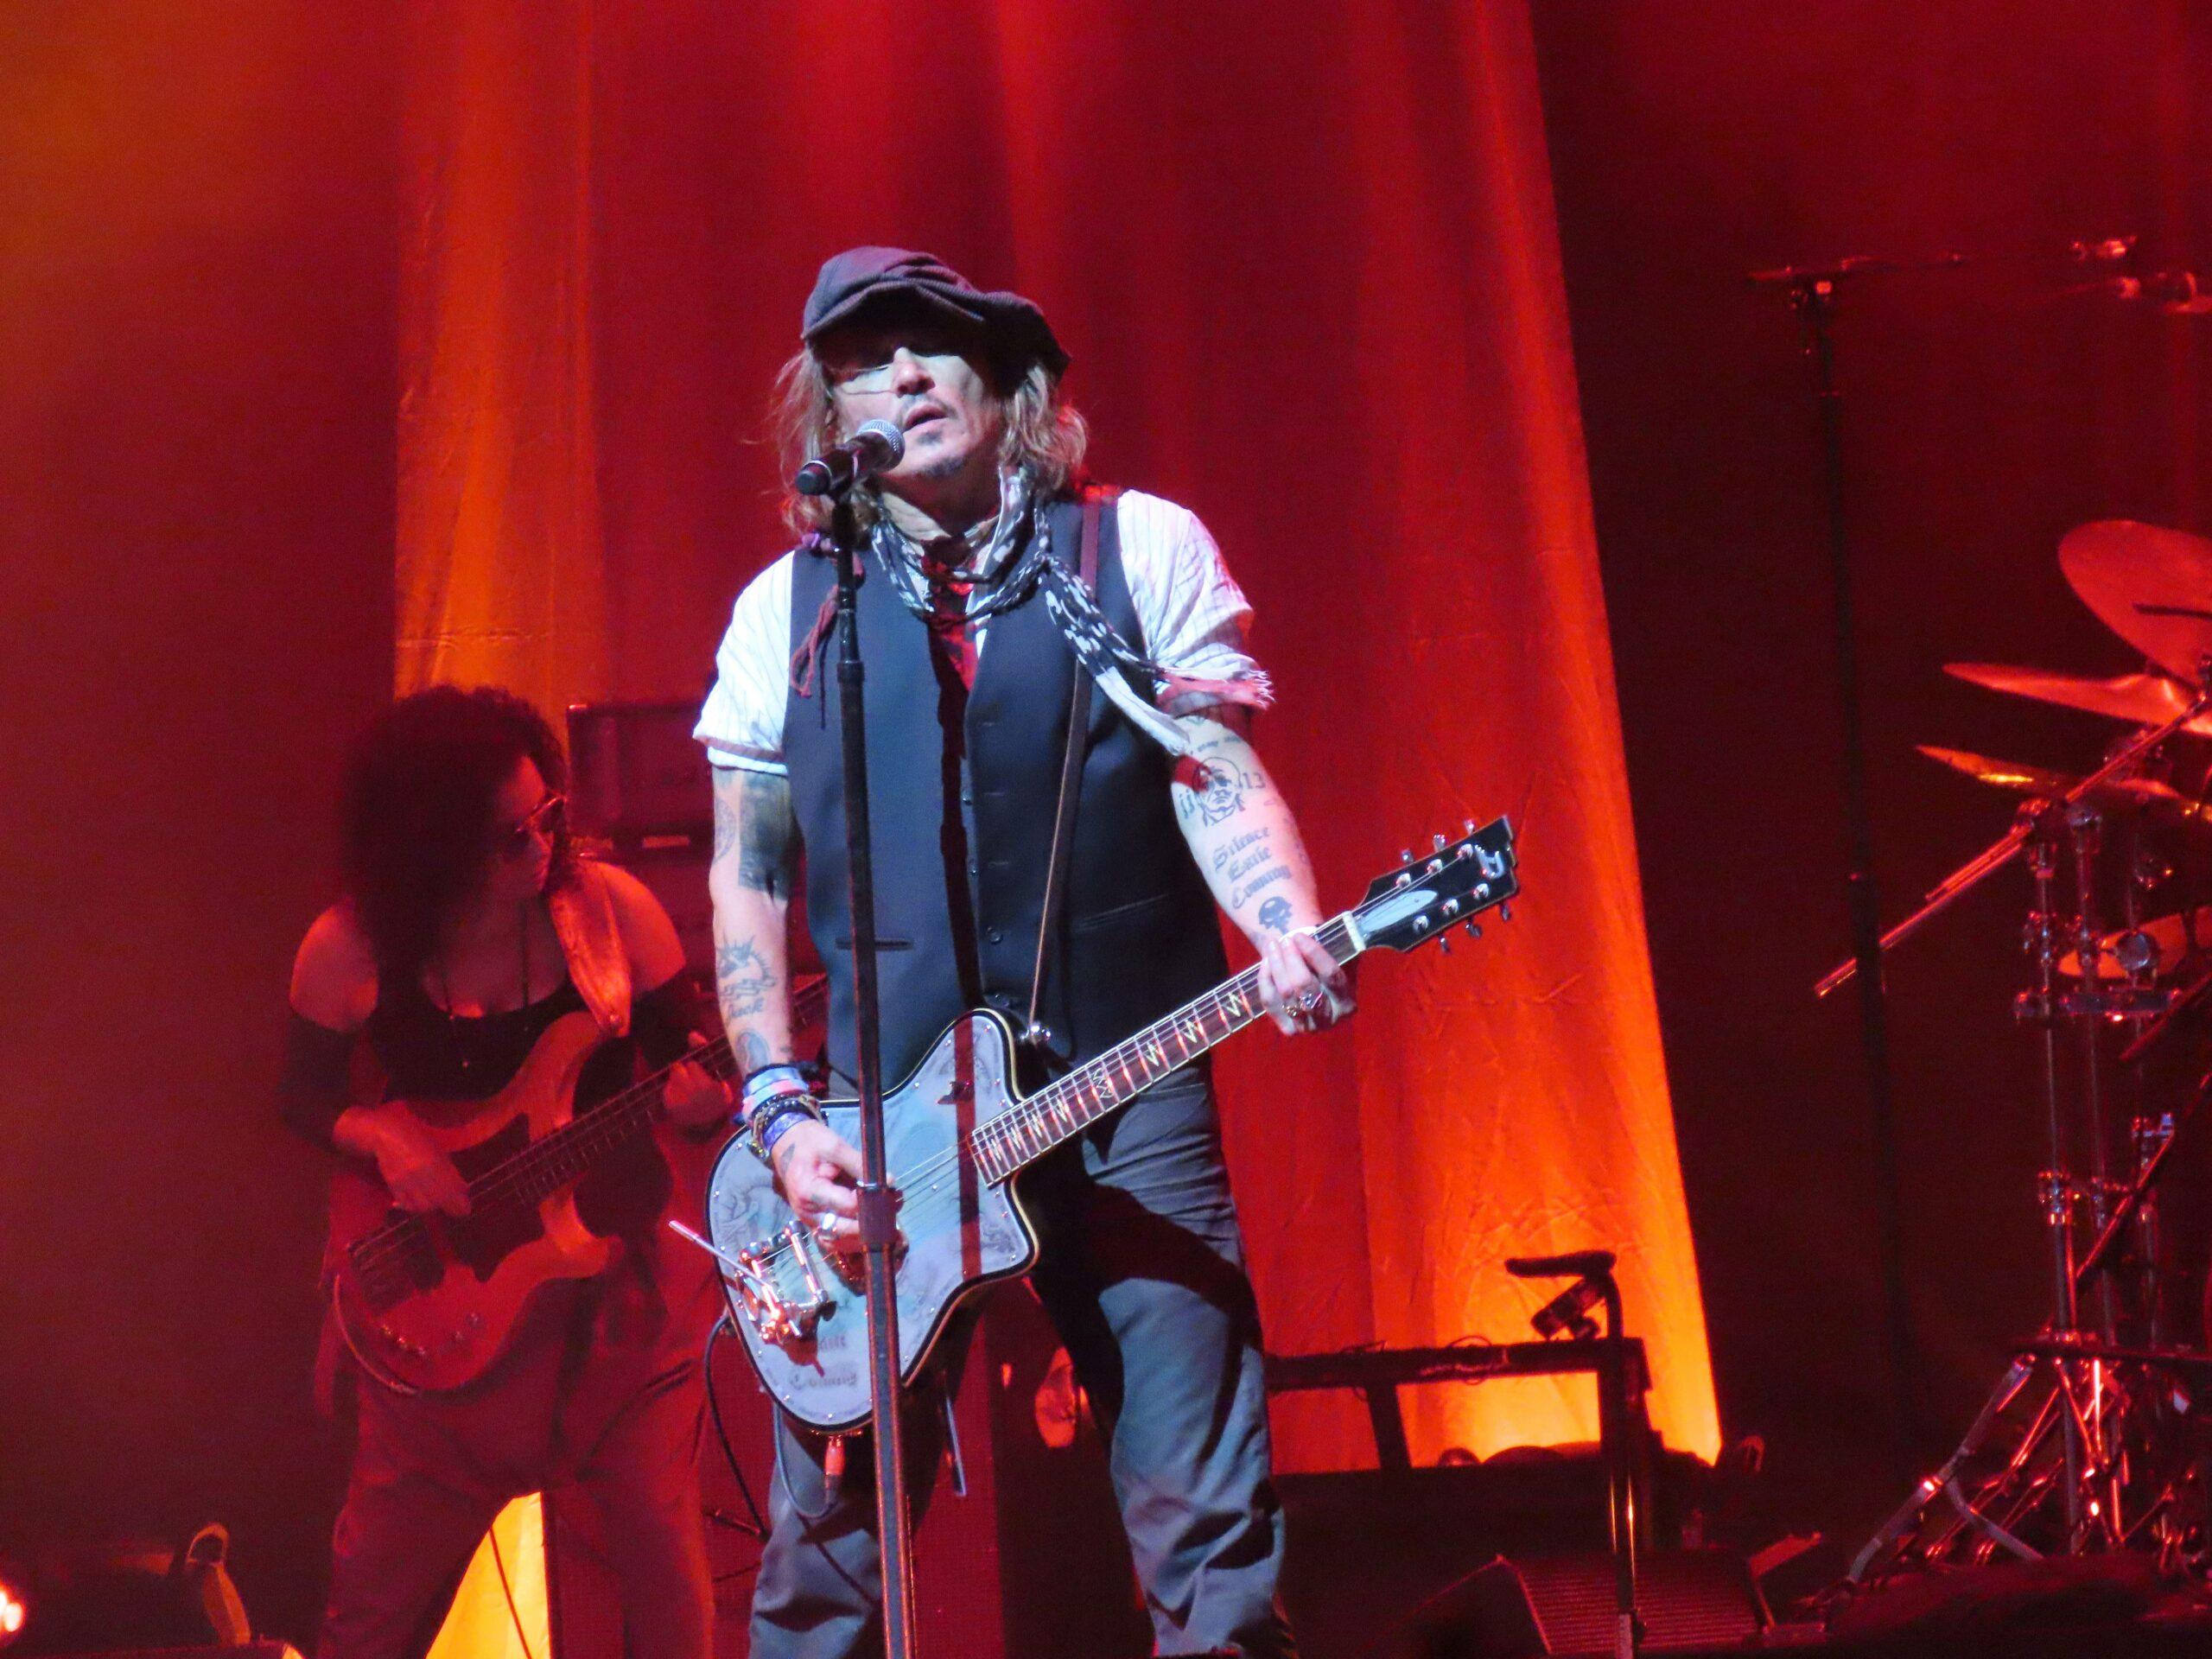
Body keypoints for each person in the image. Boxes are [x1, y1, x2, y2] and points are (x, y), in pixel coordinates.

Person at [696, 247, 1354, 1659]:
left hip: (1131, 1089)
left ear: (1009, 386)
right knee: (827, 1565)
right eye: (867, 362)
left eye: (939, 348)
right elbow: (748, 874)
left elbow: (1214, 772)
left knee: (1204, 1523)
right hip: (888, 1123)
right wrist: (778, 1108)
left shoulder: (1139, 549)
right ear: (831, 417)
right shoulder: (789, 616)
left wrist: (1288, 920)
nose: (909, 377)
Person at [281, 683, 731, 1659]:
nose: (542, 850)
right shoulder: (349, 947)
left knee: (669, 1596)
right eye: (508, 838)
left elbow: (694, 1061)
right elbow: (300, 1098)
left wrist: (708, 1107)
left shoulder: (611, 915)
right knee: (368, 1624)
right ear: (428, 848)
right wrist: (384, 1138)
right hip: (443, 1334)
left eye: (550, 818)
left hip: (619, 1321)